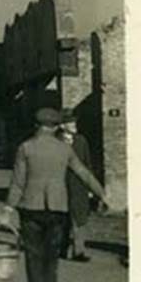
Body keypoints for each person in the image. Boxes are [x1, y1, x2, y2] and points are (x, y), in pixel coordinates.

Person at [0, 107, 108, 282]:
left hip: (30, 208)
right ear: (57, 127)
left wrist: (7, 209)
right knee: (51, 256)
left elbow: (17, 183)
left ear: (36, 126)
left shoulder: (25, 147)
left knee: (34, 256)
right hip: (58, 208)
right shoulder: (64, 149)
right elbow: (83, 173)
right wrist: (101, 194)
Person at [58, 110, 94, 262]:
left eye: (74, 122)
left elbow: (87, 164)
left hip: (79, 186)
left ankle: (79, 251)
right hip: (60, 186)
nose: (74, 125)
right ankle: (62, 249)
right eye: (70, 123)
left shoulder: (81, 141)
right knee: (62, 219)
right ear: (62, 126)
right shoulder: (55, 142)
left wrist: (90, 187)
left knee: (79, 218)